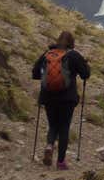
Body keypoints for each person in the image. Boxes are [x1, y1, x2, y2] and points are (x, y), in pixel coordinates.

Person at [32, 31, 90, 170]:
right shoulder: (73, 55)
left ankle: (49, 145)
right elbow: (85, 75)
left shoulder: (48, 54)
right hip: (67, 98)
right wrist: (85, 65)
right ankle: (61, 162)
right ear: (72, 43)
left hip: (48, 96)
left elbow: (35, 73)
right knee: (64, 127)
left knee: (53, 125)